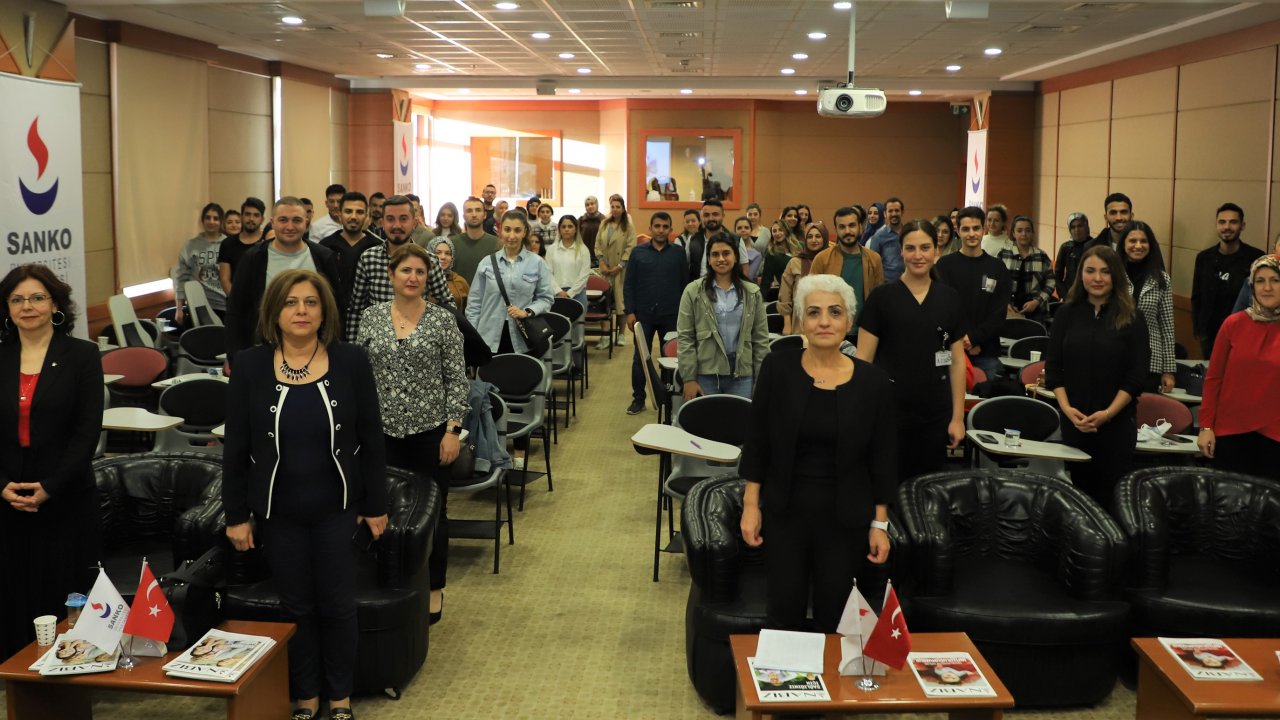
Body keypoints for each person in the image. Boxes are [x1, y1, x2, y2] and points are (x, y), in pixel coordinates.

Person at [223, 269, 387, 720]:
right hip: (279, 513)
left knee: (337, 606)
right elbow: (235, 447)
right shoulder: (251, 365)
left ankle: (339, 700)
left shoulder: (351, 359)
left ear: (324, 311)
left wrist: (376, 505)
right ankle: (306, 697)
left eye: (311, 303)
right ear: (274, 312)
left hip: (338, 509)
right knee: (296, 609)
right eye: (291, 303)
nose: (301, 311)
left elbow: (372, 440)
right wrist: (236, 514)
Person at [739, 273, 896, 632]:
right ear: (800, 322)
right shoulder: (777, 369)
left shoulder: (874, 382)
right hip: (785, 513)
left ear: (849, 321)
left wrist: (880, 524)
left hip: (846, 520)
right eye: (814, 312)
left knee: (836, 616)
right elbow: (758, 439)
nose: (824, 321)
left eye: (834, 312)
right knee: (783, 610)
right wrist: (751, 506)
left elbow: (883, 459)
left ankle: (832, 688)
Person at [358, 243, 468, 629]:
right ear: (391, 276)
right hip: (381, 435)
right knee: (380, 510)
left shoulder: (441, 320)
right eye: (405, 271)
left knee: (433, 515)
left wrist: (453, 431)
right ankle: (389, 584)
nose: (412, 278)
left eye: (420, 272)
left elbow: (457, 379)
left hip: (431, 434)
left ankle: (433, 588)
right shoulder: (371, 318)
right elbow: (360, 378)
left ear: (427, 278)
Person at [0, 265, 102, 659]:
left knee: (63, 595)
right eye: (17, 299)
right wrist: (1, 484)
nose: (28, 306)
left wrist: (51, 487)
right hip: (7, 498)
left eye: (37, 297)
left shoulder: (81, 355)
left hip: (66, 497)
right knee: (12, 593)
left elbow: (86, 432)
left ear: (55, 303)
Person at [856, 219, 966, 480]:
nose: (918, 255)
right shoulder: (881, 298)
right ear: (901, 251)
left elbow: (957, 363)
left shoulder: (949, 299)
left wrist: (958, 418)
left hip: (935, 413)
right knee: (886, 486)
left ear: (936, 250)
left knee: (927, 490)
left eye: (925, 248)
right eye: (911, 248)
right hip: (889, 411)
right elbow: (863, 362)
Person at [1044, 246, 1149, 505]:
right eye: (1090, 271)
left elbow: (1137, 375)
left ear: (1116, 276)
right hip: (1075, 422)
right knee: (1079, 500)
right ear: (1081, 275)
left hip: (1115, 425)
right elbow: (1054, 369)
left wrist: (1108, 414)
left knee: (1111, 499)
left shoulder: (1133, 317)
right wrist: (1067, 410)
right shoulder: (1066, 313)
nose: (1098, 278)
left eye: (1105, 272)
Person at [465, 209, 555, 470]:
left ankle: (520, 452)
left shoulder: (536, 263)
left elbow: (546, 298)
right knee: (490, 397)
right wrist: (471, 340)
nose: (512, 235)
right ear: (500, 231)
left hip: (522, 339)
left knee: (519, 396)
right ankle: (492, 450)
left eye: (517, 230)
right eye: (508, 230)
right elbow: (474, 305)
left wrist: (528, 311)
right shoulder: (487, 263)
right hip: (489, 339)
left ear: (525, 232)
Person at [224, 197, 344, 357]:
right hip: (264, 350)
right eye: (283, 220)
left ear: (306, 222)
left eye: (296, 220)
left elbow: (336, 308)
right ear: (272, 223)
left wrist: (337, 350)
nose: (290, 226)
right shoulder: (253, 258)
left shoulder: (324, 257)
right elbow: (236, 310)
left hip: (316, 351)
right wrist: (234, 355)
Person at [1197, 254, 1280, 477]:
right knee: (1230, 505)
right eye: (1260, 281)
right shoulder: (1233, 324)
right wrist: (1206, 427)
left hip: (1275, 436)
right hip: (1230, 431)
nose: (1267, 287)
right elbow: (1214, 378)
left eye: (1275, 280)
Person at [344, 194, 455, 342]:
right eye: (390, 219)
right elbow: (356, 311)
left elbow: (447, 305)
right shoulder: (368, 259)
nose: (397, 225)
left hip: (419, 346)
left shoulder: (429, 260)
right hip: (378, 347)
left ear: (414, 222)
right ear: (382, 222)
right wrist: (355, 352)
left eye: (403, 219)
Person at [676, 236, 769, 400]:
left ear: (735, 257)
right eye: (715, 254)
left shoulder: (752, 292)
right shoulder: (692, 291)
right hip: (706, 373)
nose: (721, 259)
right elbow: (685, 337)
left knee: (740, 423)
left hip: (742, 374)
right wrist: (689, 378)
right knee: (708, 424)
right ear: (709, 260)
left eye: (726, 253)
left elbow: (760, 339)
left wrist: (761, 379)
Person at [935, 206, 1012, 380]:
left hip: (986, 353)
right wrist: (961, 340)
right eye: (966, 229)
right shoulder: (943, 266)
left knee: (984, 404)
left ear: (983, 229)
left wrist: (975, 339)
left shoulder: (997, 268)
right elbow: (941, 309)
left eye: (976, 228)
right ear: (957, 231)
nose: (971, 234)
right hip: (949, 351)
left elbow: (998, 314)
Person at [624, 212, 688, 414]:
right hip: (643, 315)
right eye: (657, 226)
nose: (661, 230)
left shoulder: (678, 253)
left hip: (671, 315)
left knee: (670, 358)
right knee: (640, 358)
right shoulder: (637, 253)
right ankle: (638, 399)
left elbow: (684, 285)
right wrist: (629, 312)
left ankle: (667, 398)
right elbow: (629, 284)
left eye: (665, 226)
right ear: (650, 228)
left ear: (670, 229)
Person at [1192, 202, 1264, 358]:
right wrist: (1198, 328)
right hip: (1210, 334)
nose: (1227, 227)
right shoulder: (1204, 258)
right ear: (1217, 225)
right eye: (1222, 222)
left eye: (1233, 222)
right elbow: (1196, 295)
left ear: (1242, 225)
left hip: (1242, 333)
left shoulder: (1256, 258)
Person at [810, 206, 884, 338]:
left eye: (852, 225)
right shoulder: (822, 259)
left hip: (865, 331)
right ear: (836, 230)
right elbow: (811, 299)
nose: (848, 231)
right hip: (830, 331)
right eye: (842, 227)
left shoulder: (874, 259)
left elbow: (879, 300)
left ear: (860, 227)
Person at [1121, 221, 1176, 393]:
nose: (1138, 246)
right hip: (1116, 353)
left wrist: (1168, 370)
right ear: (1123, 244)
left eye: (1143, 241)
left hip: (1151, 360)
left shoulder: (1162, 279)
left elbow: (1167, 327)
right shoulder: (1112, 275)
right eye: (1132, 241)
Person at [318, 191, 381, 308]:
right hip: (333, 313)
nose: (353, 217)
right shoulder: (325, 246)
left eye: (359, 212)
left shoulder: (377, 246)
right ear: (339, 214)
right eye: (348, 211)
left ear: (367, 215)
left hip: (367, 314)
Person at [173, 202, 227, 326]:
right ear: (202, 220)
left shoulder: (228, 244)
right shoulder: (190, 246)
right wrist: (179, 308)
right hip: (196, 304)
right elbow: (181, 278)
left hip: (223, 305)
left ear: (221, 221)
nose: (211, 221)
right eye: (208, 217)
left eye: (216, 218)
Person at [595, 194, 636, 348]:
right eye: (613, 206)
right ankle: (605, 336)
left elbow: (631, 246)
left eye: (618, 207)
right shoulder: (604, 224)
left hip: (621, 270)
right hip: (605, 269)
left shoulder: (628, 225)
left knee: (621, 304)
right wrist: (602, 263)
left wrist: (620, 265)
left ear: (623, 208)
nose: (615, 209)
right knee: (603, 303)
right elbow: (597, 244)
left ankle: (621, 335)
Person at [997, 215, 1056, 323]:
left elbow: (1051, 282)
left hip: (1037, 312)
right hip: (1008, 310)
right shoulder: (1003, 254)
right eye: (1019, 230)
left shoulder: (1042, 256)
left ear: (1033, 233)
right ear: (1014, 233)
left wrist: (1037, 301)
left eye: (1027, 230)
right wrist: (1005, 302)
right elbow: (996, 281)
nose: (1024, 234)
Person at [777, 222, 827, 335]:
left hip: (826, 319)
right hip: (800, 321)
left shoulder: (831, 261)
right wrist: (787, 324)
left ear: (824, 238)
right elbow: (785, 294)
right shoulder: (795, 262)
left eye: (818, 236)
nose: (814, 240)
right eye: (810, 237)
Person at [685, 199, 750, 278]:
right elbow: (685, 266)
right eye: (706, 215)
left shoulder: (736, 240)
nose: (711, 218)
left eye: (715, 214)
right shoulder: (693, 240)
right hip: (699, 288)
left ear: (723, 216)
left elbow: (745, 269)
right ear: (702, 217)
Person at [217, 197, 266, 295]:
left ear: (262, 219)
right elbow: (224, 279)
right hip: (236, 303)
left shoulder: (268, 243)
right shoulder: (227, 244)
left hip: (265, 304)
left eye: (256, 215)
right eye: (247, 214)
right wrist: (236, 302)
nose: (251, 219)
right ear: (242, 217)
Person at [545, 214, 591, 308]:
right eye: (563, 226)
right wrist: (558, 291)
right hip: (556, 294)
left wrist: (570, 293)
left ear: (575, 229)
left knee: (578, 323)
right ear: (559, 229)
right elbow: (548, 273)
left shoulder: (583, 250)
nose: (566, 229)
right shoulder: (551, 249)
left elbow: (584, 275)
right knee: (557, 322)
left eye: (570, 226)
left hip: (578, 294)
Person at [452, 196, 500, 283]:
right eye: (469, 211)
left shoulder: (496, 243)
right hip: (460, 295)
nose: (474, 214)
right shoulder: (452, 244)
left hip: (487, 295)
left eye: (478, 210)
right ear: (463, 216)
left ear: (484, 215)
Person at [867, 197, 905, 281]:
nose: (894, 214)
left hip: (910, 283)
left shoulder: (909, 233)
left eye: (897, 210)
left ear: (902, 212)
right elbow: (873, 265)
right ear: (885, 214)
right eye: (890, 211)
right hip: (888, 284)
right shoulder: (878, 237)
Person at [1055, 212, 1091, 296]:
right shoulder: (1065, 247)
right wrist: (1064, 295)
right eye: (1073, 227)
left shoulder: (1095, 245)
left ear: (1086, 227)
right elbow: (1057, 277)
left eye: (1080, 226)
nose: (1077, 230)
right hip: (1069, 293)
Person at [757, 220, 794, 302]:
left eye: (780, 230)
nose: (777, 233)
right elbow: (766, 280)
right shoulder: (772, 254)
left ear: (786, 230)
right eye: (774, 231)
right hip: (787, 295)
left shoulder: (798, 248)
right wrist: (759, 302)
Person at [432, 237, 471, 309]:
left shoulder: (460, 281)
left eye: (448, 253)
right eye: (438, 253)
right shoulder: (422, 280)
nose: (443, 257)